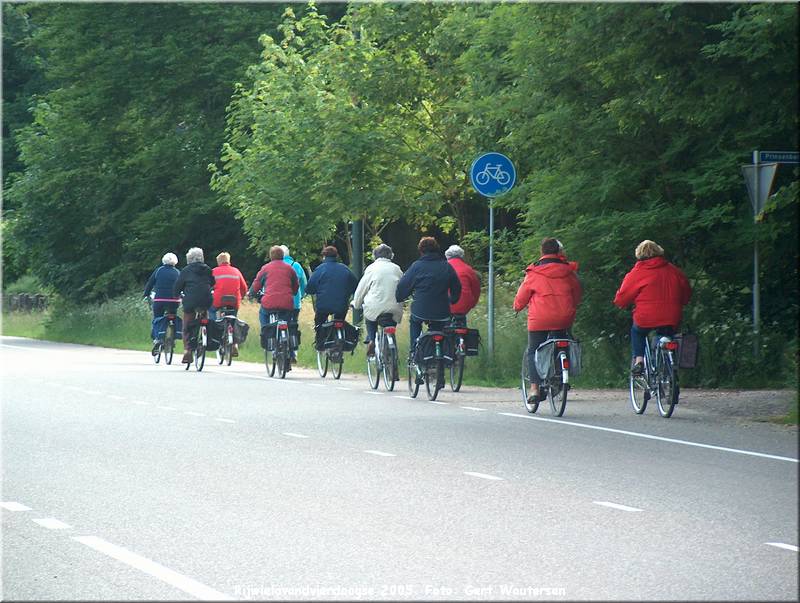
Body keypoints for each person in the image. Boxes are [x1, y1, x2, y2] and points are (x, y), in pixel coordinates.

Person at [513, 237, 582, 402]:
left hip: (540, 319)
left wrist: (516, 307)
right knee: (562, 339)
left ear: (542, 252)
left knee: (533, 350)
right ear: (559, 252)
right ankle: (560, 375)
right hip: (564, 317)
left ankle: (534, 389)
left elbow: (522, 297)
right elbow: (577, 293)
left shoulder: (534, 273)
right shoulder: (568, 272)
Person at [613, 239, 692, 375]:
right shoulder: (674, 271)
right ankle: (668, 367)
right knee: (666, 335)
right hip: (671, 316)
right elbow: (686, 291)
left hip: (646, 317)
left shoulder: (637, 273)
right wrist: (681, 303)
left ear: (639, 254)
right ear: (659, 251)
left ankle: (639, 361)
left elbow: (622, 297)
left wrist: (621, 304)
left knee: (637, 332)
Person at [396, 237, 462, 356]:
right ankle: (442, 355)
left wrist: (400, 297)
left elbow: (403, 285)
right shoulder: (446, 266)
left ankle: (414, 352)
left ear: (421, 251)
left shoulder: (416, 266)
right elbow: (457, 286)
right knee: (441, 329)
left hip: (420, 310)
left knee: (415, 322)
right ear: (437, 249)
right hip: (442, 311)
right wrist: (453, 300)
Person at [352, 244, 404, 356]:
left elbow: (362, 289)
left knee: (370, 319)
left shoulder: (371, 269)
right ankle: (391, 342)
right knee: (391, 323)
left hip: (375, 307)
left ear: (374, 256)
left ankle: (371, 339)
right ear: (391, 256)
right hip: (394, 307)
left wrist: (356, 304)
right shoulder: (397, 269)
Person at [306, 246, 359, 346]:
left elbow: (310, 288)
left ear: (324, 257)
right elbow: (356, 287)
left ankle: (320, 342)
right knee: (340, 320)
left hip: (323, 305)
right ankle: (340, 340)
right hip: (341, 305)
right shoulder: (345, 269)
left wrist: (312, 291)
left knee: (320, 322)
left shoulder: (320, 269)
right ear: (336, 256)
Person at [173, 247, 215, 364]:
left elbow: (178, 285)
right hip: (206, 299)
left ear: (189, 259)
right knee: (204, 314)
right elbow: (213, 282)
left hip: (190, 300)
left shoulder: (186, 270)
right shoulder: (207, 269)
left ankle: (187, 350)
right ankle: (204, 333)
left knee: (186, 323)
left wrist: (176, 295)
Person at [249, 246, 299, 330]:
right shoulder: (289, 269)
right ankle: (289, 335)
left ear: (271, 256)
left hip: (269, 303)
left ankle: (264, 332)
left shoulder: (265, 268)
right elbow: (296, 285)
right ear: (283, 255)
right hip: (287, 303)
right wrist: (293, 292)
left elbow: (256, 284)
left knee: (263, 313)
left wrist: (251, 293)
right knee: (288, 321)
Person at [209, 251, 248, 357]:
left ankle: (214, 332)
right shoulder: (236, 271)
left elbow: (208, 286)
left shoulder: (214, 271)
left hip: (218, 300)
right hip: (234, 301)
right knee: (233, 319)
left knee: (211, 310)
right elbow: (244, 288)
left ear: (218, 262)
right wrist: (241, 297)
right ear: (229, 261)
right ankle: (234, 344)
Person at [143, 252, 181, 354]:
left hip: (160, 300)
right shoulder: (177, 272)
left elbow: (150, 283)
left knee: (157, 318)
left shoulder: (158, 271)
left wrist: (146, 294)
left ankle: (157, 339)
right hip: (174, 301)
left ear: (163, 261)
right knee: (173, 314)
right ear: (175, 262)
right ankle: (173, 337)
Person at [280, 245, 308, 362]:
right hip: (295, 303)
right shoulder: (296, 266)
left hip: (280, 302)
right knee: (293, 324)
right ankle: (294, 352)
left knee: (280, 322)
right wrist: (301, 295)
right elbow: (304, 284)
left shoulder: (275, 266)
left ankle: (278, 346)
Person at [444, 245, 481, 325]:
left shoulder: (442, 268)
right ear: (461, 256)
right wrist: (473, 303)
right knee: (461, 323)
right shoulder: (468, 269)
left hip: (446, 305)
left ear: (447, 256)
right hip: (464, 306)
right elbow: (476, 290)